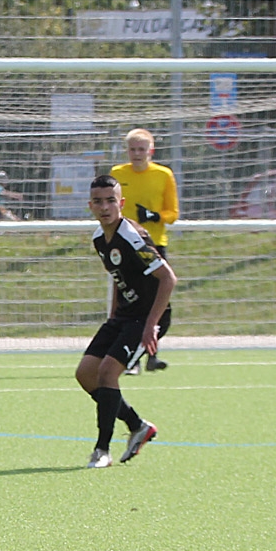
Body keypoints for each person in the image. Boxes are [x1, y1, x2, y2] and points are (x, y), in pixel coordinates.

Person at [78, 174, 175, 469]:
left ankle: (102, 450)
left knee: (108, 372)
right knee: (86, 374)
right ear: (90, 206)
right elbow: (119, 279)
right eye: (98, 202)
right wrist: (113, 318)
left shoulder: (133, 236)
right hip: (124, 316)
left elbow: (167, 279)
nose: (104, 207)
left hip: (147, 317)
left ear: (121, 203)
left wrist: (151, 325)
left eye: (110, 201)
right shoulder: (99, 238)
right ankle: (137, 425)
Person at [110, 129, 179, 372]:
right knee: (129, 300)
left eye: (142, 149)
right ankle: (130, 358)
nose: (137, 154)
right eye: (133, 149)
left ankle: (151, 353)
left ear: (151, 151)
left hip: (154, 245)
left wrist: (155, 216)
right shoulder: (118, 174)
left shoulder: (163, 175)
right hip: (126, 246)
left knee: (159, 303)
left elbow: (173, 213)